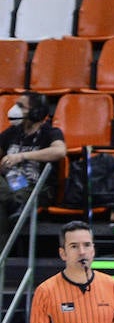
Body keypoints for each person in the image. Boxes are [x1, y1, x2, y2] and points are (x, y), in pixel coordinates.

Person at [1, 92, 66, 236]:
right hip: (10, 184)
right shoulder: (12, 133)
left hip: (36, 188)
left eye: (20, 106)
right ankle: (14, 204)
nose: (14, 109)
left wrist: (22, 156)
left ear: (36, 112)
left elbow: (60, 151)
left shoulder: (50, 132)